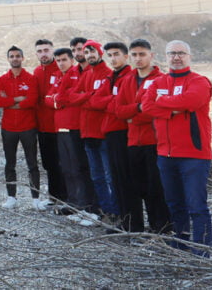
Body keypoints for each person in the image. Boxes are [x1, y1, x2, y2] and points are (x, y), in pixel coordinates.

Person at [142, 40, 212, 255]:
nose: (176, 57)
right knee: (175, 204)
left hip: (194, 155)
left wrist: (162, 103)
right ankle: (180, 245)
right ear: (165, 56)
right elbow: (146, 106)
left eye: (181, 53)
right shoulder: (157, 82)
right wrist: (172, 109)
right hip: (165, 154)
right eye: (172, 53)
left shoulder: (200, 81)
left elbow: (190, 101)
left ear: (189, 56)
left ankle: (201, 251)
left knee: (197, 207)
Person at [109, 39, 171, 234]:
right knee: (134, 187)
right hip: (133, 141)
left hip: (154, 141)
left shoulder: (162, 80)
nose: (138, 58)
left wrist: (133, 116)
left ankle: (161, 228)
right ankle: (134, 226)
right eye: (134, 55)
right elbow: (118, 111)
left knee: (155, 188)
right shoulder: (127, 79)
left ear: (151, 56)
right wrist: (137, 108)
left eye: (142, 54)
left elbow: (155, 111)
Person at [69, 40, 119, 223]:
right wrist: (89, 97)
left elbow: (104, 101)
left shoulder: (108, 74)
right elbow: (71, 97)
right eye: (86, 52)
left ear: (100, 53)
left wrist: (86, 100)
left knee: (109, 176)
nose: (89, 55)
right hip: (87, 133)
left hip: (103, 133)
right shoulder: (87, 74)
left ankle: (116, 212)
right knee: (96, 176)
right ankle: (104, 211)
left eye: (92, 52)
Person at [47, 47, 96, 223]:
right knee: (66, 168)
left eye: (64, 60)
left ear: (72, 60)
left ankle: (85, 204)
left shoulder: (78, 74)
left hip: (74, 126)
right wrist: (58, 100)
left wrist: (58, 100)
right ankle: (73, 202)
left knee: (78, 168)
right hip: (59, 126)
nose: (61, 63)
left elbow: (70, 97)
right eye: (58, 60)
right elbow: (50, 98)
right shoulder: (59, 76)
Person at [91, 42, 135, 229]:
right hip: (109, 131)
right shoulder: (110, 77)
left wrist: (111, 104)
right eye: (109, 55)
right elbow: (95, 101)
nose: (113, 58)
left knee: (125, 179)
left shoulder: (130, 77)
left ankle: (131, 221)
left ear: (126, 56)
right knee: (115, 179)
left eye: (116, 54)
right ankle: (120, 217)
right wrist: (113, 102)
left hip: (124, 131)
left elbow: (124, 105)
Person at [0, 46, 41, 210]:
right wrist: (18, 99)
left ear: (23, 58)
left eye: (17, 56)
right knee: (10, 163)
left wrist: (11, 101)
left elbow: (32, 100)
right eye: (12, 56)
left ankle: (35, 198)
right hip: (8, 128)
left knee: (32, 164)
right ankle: (11, 197)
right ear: (8, 59)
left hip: (28, 127)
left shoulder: (31, 78)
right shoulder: (2, 80)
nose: (15, 58)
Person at [31, 38, 65, 208]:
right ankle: (54, 196)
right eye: (40, 51)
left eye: (46, 50)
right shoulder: (36, 71)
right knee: (49, 163)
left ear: (52, 51)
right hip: (42, 126)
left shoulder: (60, 69)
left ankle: (67, 198)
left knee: (63, 162)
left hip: (59, 125)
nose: (43, 54)